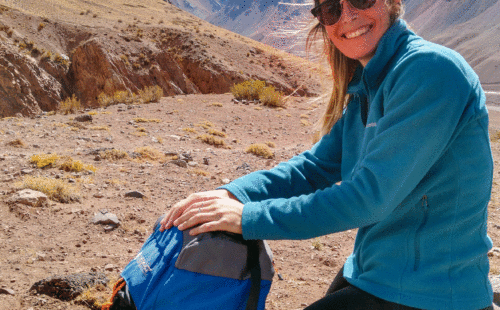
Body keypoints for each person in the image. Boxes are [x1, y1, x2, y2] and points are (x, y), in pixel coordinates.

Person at [160, 0, 495, 309]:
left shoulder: (429, 70)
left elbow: (368, 198)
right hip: (374, 276)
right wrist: (231, 193)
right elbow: (314, 168)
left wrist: (247, 218)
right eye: (333, 8)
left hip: (432, 294)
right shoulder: (371, 84)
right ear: (323, 22)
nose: (347, 17)